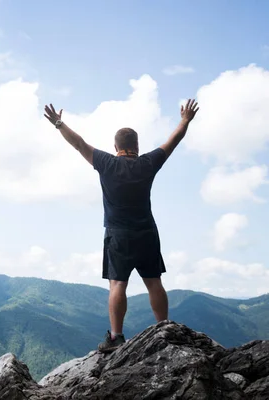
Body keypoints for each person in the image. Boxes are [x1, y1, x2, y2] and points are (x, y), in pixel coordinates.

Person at [44, 99, 199, 352]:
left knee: (118, 284)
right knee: (154, 282)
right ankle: (165, 329)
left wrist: (59, 123)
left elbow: (79, 143)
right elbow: (173, 141)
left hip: (117, 235)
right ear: (136, 146)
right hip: (147, 232)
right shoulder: (148, 163)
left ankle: (116, 338)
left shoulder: (107, 163)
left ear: (115, 147)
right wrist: (185, 120)